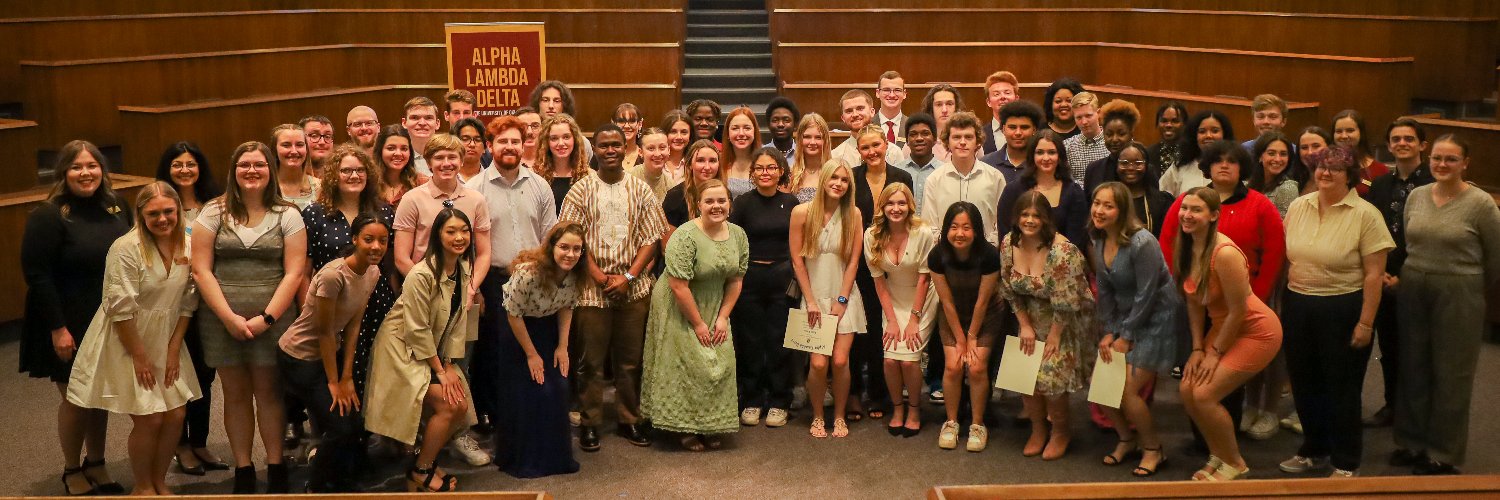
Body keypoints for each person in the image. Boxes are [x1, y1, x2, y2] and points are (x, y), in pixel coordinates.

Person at [66, 182, 200, 496]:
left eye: (169, 211)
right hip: (127, 338)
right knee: (150, 418)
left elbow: (189, 302)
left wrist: (174, 347)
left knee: (176, 414)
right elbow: (120, 308)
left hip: (168, 336)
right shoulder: (125, 248)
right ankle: (142, 487)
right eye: (154, 213)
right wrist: (140, 356)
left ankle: (159, 481)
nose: (164, 219)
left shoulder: (189, 243)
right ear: (140, 214)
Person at [191, 141, 307, 493]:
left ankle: (275, 465)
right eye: (244, 165)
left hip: (273, 319)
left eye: (259, 164)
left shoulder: (287, 213)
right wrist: (229, 318)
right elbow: (200, 270)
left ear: (270, 170)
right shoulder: (213, 212)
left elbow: (294, 272)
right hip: (220, 319)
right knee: (235, 393)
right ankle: (243, 467)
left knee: (269, 393)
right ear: (233, 171)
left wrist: (266, 318)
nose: (252, 171)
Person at [22, 140, 132, 496]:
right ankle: (71, 469)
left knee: (100, 395)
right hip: (65, 319)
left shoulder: (117, 206)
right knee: (75, 397)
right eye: (76, 167)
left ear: (103, 169)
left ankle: (96, 464)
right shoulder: (49, 215)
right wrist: (58, 329)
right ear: (63, 173)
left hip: (105, 316)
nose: (86, 173)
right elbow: (38, 275)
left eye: (92, 166)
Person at [1278, 145, 1394, 478]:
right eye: (1320, 168)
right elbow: (1286, 257)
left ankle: (1345, 459)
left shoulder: (1366, 214)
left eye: (1335, 169)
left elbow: (1374, 274)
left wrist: (1366, 322)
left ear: (1350, 175)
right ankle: (1313, 449)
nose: (1325, 174)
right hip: (1298, 302)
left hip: (1343, 306)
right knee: (1304, 381)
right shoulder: (1300, 205)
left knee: (1341, 386)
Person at [1392, 134, 1500, 476]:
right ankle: (1411, 441)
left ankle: (1442, 451)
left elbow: (1495, 259)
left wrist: (1468, 286)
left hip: (1460, 291)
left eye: (1450, 159)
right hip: (1414, 286)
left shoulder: (1481, 204)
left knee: (1452, 373)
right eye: (1437, 158)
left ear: (1465, 163)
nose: (1441, 165)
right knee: (1412, 365)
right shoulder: (1418, 196)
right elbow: (1409, 243)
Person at [558, 124, 669, 452]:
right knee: (590, 362)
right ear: (595, 148)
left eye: (615, 145)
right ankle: (591, 422)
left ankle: (629, 418)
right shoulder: (580, 189)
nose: (609, 150)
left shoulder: (639, 189)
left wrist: (629, 277)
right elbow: (571, 239)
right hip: (592, 290)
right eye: (603, 145)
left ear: (624, 149)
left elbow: (652, 237)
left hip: (633, 289)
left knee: (630, 360)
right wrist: (601, 277)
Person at [392, 133, 494, 466]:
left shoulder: (475, 198)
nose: (446, 164)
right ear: (428, 161)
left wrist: (469, 288)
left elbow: (484, 251)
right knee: (423, 368)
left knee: (460, 365)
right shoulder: (413, 199)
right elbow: (402, 257)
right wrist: (432, 290)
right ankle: (420, 433)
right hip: (425, 296)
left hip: (463, 297)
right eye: (439, 158)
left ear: (461, 158)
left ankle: (459, 433)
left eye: (452, 157)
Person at [1174, 186, 1283, 481]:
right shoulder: (1186, 247)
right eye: (1185, 208)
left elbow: (1239, 312)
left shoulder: (1224, 253)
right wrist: (1197, 350)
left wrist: (1215, 354)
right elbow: (1194, 302)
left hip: (1256, 331)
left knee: (1206, 394)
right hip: (1225, 327)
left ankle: (1235, 463)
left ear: (1213, 216)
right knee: (1187, 389)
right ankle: (1218, 454)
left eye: (1196, 210)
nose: (1187, 215)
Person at [365, 208, 477, 492]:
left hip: (432, 349)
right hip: (401, 350)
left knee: (460, 405)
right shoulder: (421, 273)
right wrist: (440, 370)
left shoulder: (463, 268)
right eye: (450, 231)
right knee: (449, 404)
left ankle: (423, 460)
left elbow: (457, 319)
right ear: (437, 235)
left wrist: (450, 364)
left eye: (464, 230)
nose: (459, 237)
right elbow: (416, 329)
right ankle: (420, 470)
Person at [468, 115, 557, 456]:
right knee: (496, 351)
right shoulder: (474, 187)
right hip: (493, 279)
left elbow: (550, 234)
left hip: (536, 280)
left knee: (533, 348)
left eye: (515, 141)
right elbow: (459, 229)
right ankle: (497, 418)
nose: (509, 147)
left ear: (524, 145)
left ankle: (530, 414)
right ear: (490, 146)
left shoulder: (539, 185)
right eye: (502, 141)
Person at [276, 214, 386, 492]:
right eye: (368, 239)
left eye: (382, 241)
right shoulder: (332, 276)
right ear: (354, 240)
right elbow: (324, 332)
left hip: (328, 353)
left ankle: (339, 481)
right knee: (340, 426)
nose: (375, 247)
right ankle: (315, 486)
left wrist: (347, 375)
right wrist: (334, 383)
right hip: (300, 355)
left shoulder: (373, 272)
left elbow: (354, 323)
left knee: (353, 422)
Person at [641, 179, 749, 451]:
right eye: (709, 201)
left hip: (716, 301)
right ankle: (684, 427)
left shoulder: (738, 234)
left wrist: (723, 317)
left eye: (721, 201)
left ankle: (709, 424)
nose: (716, 206)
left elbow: (736, 279)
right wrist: (699, 323)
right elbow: (678, 286)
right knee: (688, 362)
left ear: (730, 204)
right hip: (680, 301)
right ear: (697, 205)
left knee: (719, 361)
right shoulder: (685, 235)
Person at [1090, 182, 1179, 477]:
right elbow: (1105, 292)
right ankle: (1127, 440)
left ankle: (1154, 449)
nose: (1099, 211)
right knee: (1102, 389)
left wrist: (1126, 336)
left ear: (1122, 210)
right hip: (1125, 318)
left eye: (1108, 206)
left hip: (1155, 320)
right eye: (1097, 204)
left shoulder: (1142, 242)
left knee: (1127, 391)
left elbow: (1148, 293)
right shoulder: (1100, 239)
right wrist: (1109, 331)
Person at [301, 145, 398, 411]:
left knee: (376, 371)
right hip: (332, 305)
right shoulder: (315, 214)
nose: (354, 175)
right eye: (346, 170)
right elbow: (305, 270)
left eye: (360, 170)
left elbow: (390, 267)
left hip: (376, 301)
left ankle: (375, 438)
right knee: (334, 376)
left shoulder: (385, 211)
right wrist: (307, 311)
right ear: (334, 175)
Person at [153, 142, 229, 475]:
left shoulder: (216, 204)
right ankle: (179, 446)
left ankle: (199, 442)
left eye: (191, 164)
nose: (185, 170)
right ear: (167, 169)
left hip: (208, 302)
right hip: (171, 303)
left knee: (204, 374)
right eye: (177, 165)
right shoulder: (158, 205)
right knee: (175, 373)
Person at [1000, 191, 1094, 459]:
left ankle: (1061, 431)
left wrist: (1053, 336)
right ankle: (1038, 429)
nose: (1029, 220)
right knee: (1024, 377)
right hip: (1027, 316)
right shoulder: (1009, 243)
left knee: (1050, 379)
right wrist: (1024, 325)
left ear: (1046, 219)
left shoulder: (1063, 252)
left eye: (1036, 216)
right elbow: (1008, 288)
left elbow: (1067, 300)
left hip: (1062, 320)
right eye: (1024, 215)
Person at [496, 222, 585, 478]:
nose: (570, 254)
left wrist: (563, 347)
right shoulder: (528, 273)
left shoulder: (576, 274)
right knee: (530, 391)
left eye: (576, 249)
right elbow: (513, 314)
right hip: (519, 329)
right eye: (564, 247)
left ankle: (555, 458)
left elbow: (567, 307)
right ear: (552, 247)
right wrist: (531, 354)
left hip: (549, 327)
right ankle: (524, 459)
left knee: (557, 388)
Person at [1361, 118, 1432, 428]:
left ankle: (1416, 413)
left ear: (1422, 145)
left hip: (1417, 278)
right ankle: (1392, 405)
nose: (1402, 143)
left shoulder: (1432, 184)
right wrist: (1381, 276)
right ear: (1388, 146)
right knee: (1389, 347)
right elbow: (1371, 233)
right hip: (1381, 278)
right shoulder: (1380, 185)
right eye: (1396, 139)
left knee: (1416, 351)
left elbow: (1431, 238)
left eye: (1409, 138)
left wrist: (1403, 276)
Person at [789, 160, 867, 439]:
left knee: (841, 361)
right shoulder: (801, 212)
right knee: (819, 364)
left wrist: (843, 299)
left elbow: (855, 260)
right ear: (823, 179)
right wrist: (810, 301)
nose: (838, 183)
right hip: (813, 297)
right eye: (833, 177)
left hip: (844, 295)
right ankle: (818, 415)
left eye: (844, 180)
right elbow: (798, 262)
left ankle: (839, 416)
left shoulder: (853, 214)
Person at [729, 148, 801, 428]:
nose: (765, 173)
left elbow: (799, 242)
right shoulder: (743, 203)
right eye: (759, 168)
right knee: (750, 341)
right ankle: (752, 399)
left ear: (781, 170)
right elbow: (734, 240)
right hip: (749, 278)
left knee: (779, 341)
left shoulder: (791, 201)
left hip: (782, 279)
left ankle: (780, 400)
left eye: (771, 168)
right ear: (752, 173)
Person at [850, 124, 915, 420]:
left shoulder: (903, 177)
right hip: (858, 262)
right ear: (859, 150)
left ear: (886, 144)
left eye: (876, 145)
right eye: (865, 147)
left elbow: (907, 216)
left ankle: (880, 393)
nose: (872, 152)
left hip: (893, 260)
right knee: (858, 327)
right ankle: (853, 393)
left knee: (883, 327)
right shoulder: (851, 178)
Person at [927, 202, 1003, 451]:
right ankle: (951, 422)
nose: (960, 233)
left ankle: (978, 424)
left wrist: (971, 337)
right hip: (952, 316)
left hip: (987, 314)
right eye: (954, 227)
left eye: (966, 228)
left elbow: (983, 302)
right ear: (946, 229)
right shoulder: (937, 255)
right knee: (953, 365)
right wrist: (960, 339)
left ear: (977, 231)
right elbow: (946, 301)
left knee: (978, 367)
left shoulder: (990, 255)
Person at [865, 183, 937, 437]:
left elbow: (924, 279)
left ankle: (915, 409)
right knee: (890, 358)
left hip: (922, 299)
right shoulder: (872, 235)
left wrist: (914, 319)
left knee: (909, 361)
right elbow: (879, 281)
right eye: (890, 204)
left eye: (901, 203)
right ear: (882, 207)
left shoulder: (924, 232)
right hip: (892, 298)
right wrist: (892, 320)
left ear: (910, 206)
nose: (896, 209)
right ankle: (897, 408)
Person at [920, 111, 1005, 244]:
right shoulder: (934, 180)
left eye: (968, 137)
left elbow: (1000, 225)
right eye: (956, 137)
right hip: (946, 258)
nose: (963, 142)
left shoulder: (995, 178)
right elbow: (929, 227)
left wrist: (986, 249)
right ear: (947, 141)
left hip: (985, 258)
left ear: (978, 141)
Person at [999, 130, 1090, 251]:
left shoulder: (1074, 192)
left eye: (1051, 152)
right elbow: (1006, 235)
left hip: (1061, 263)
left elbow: (1076, 240)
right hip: (1021, 260)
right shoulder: (1013, 190)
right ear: (1032, 156)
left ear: (1060, 156)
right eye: (1040, 152)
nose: (1046, 158)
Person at [1159, 110, 1233, 196]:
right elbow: (1162, 198)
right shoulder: (1180, 166)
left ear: (1225, 135)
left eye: (1215, 131)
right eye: (1202, 131)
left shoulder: (1234, 166)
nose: (1208, 135)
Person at [663, 140, 726, 230]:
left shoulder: (725, 194)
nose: (707, 167)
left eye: (712, 161)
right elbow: (668, 243)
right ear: (689, 164)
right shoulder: (674, 197)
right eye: (700, 160)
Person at [535, 113, 591, 213]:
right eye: (554, 138)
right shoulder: (536, 176)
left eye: (566, 137)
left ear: (575, 140)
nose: (561, 143)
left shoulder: (589, 176)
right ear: (546, 142)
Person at [1082, 99, 1141, 194]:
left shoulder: (1142, 169)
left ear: (1131, 135)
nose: (1114, 139)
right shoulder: (1094, 169)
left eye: (1121, 134)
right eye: (1109, 134)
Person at [981, 100, 1046, 184]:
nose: (1018, 133)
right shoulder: (986, 163)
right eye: (1012, 127)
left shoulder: (1043, 163)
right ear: (1003, 129)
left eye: (1024, 127)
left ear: (1034, 130)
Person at [834, 90, 904, 167]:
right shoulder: (836, 156)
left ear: (872, 112)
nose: (855, 114)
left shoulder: (893, 152)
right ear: (843, 118)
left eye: (860, 108)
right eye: (849, 111)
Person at [1331, 109, 1390, 196]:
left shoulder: (1380, 170)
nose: (1343, 136)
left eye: (1350, 130)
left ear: (1361, 133)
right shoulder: (1323, 169)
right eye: (1339, 131)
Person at [1247, 132, 1302, 216]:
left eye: (1283, 154)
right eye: (1271, 153)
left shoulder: (1288, 188)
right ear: (1260, 157)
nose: (1277, 159)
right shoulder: (1245, 185)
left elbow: (1282, 227)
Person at [376, 125, 428, 206]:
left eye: (404, 149)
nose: (398, 153)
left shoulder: (422, 183)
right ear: (380, 151)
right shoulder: (369, 182)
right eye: (391, 148)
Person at [785, 113, 832, 203]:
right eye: (807, 137)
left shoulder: (834, 173)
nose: (812, 142)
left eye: (818, 137)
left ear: (825, 140)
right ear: (799, 139)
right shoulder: (790, 174)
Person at [1062, 92, 1107, 186]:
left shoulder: (1113, 143)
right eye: (1079, 117)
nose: (1084, 122)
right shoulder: (1066, 146)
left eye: (1088, 116)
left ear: (1098, 113)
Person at [271, 124, 319, 209]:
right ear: (275, 149)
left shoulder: (320, 187)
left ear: (306, 149)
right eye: (286, 145)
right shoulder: (266, 187)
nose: (294, 151)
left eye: (299, 145)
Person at [897, 113, 941, 206]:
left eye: (925, 133)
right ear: (907, 141)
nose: (919, 138)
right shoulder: (896, 172)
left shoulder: (944, 172)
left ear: (935, 139)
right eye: (913, 134)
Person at [721, 106, 764, 199]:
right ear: (728, 134)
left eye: (747, 128)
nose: (741, 133)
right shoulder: (717, 165)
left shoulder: (766, 165)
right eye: (735, 128)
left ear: (754, 132)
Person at [916, 84, 963, 162]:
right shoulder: (917, 140)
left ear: (956, 107)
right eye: (939, 104)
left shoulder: (969, 140)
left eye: (949, 104)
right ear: (931, 108)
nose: (944, 110)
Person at [629, 127, 679, 199]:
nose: (657, 154)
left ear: (668, 150)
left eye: (662, 147)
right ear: (640, 152)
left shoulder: (671, 186)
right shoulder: (627, 179)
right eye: (651, 148)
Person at [981, 70, 1021, 155]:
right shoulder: (979, 134)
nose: (1002, 97)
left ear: (1016, 99)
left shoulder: (1029, 132)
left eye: (1007, 93)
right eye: (996, 94)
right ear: (988, 102)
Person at [401, 96, 442, 176]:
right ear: (404, 123)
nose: (422, 123)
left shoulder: (449, 156)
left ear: (437, 124)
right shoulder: (397, 157)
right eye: (415, 118)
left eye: (428, 118)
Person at [1148, 102, 1189, 179]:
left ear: (1185, 124)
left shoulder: (1192, 154)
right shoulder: (1149, 153)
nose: (1168, 125)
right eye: (1164, 121)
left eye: (1175, 121)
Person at [1296, 126, 1334, 196]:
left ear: (1329, 148)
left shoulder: (1337, 180)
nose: (1310, 152)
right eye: (1304, 147)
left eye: (1316, 146)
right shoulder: (1295, 180)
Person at [875, 71, 908, 147]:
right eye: (886, 90)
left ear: (904, 94)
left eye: (897, 90)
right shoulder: (867, 125)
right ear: (877, 93)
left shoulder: (912, 126)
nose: (892, 95)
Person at [451, 117, 488, 185]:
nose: (472, 144)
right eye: (465, 139)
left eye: (477, 140)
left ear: (484, 148)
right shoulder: (443, 178)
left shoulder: (492, 180)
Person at [765, 96, 801, 164]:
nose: (780, 124)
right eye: (775, 120)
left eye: (786, 120)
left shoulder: (802, 154)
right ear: (768, 124)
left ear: (795, 124)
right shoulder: (761, 154)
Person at [661, 109, 693, 185]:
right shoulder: (655, 161)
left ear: (690, 135)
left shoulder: (695, 163)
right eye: (673, 132)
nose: (679, 137)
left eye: (684, 132)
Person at [613, 103, 645, 167]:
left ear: (640, 124)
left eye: (632, 121)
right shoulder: (606, 154)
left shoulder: (646, 154)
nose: (627, 126)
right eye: (621, 121)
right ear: (614, 124)